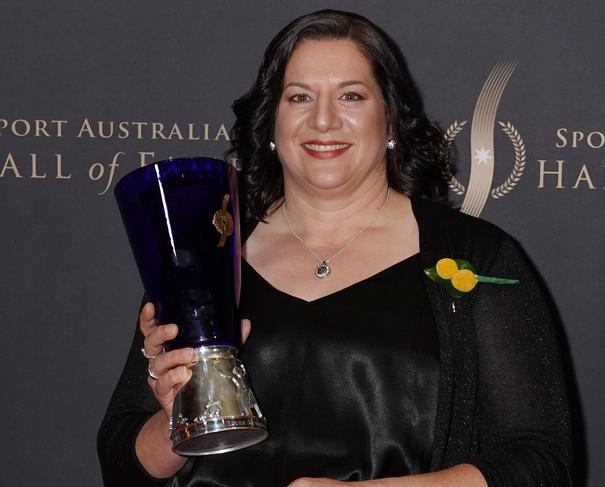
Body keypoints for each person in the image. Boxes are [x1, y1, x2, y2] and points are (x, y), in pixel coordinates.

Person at [98, 9, 572, 487]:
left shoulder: (478, 257)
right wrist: (175, 418)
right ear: (270, 124)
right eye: (300, 96)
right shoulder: (208, 252)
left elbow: (540, 464)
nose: (323, 120)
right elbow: (121, 465)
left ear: (390, 121)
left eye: (351, 96)